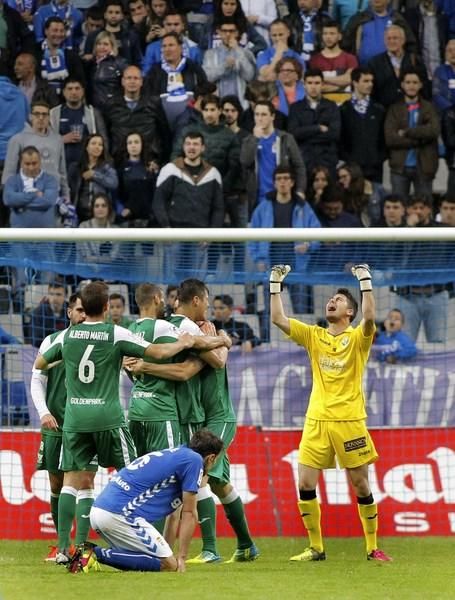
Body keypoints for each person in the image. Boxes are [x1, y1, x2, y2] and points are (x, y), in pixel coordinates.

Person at [33, 280, 196, 563]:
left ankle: (63, 550)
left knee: (72, 480)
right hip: (108, 418)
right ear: (107, 307)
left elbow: (40, 364)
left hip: (75, 419)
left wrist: (70, 365)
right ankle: (138, 539)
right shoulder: (115, 333)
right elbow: (157, 353)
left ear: (83, 308)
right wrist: (184, 341)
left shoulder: (66, 337)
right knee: (132, 473)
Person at [270, 263, 392, 563]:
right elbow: (277, 318)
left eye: (338, 300)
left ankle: (372, 547)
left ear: (349, 312)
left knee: (360, 484)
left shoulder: (358, 338)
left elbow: (371, 316)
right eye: (330, 299)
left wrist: (365, 281)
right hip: (316, 421)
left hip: (349, 421)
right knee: (305, 484)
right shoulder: (314, 336)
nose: (331, 301)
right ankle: (316, 547)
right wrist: (274, 284)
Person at [67, 430, 224, 573]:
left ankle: (88, 557)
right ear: (211, 458)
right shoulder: (195, 461)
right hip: (121, 515)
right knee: (169, 565)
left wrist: (166, 551)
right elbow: (189, 513)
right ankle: (91, 553)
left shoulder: (179, 455)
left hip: (100, 511)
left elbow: (174, 515)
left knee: (159, 561)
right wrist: (181, 558)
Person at [30, 293, 93, 562]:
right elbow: (36, 379)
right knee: (57, 484)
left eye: (86, 311)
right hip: (57, 424)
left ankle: (80, 547)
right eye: (78, 310)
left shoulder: (97, 343)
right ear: (69, 312)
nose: (82, 315)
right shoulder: (52, 341)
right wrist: (44, 412)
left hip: (88, 425)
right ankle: (62, 545)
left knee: (87, 480)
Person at [152, 131, 224, 279]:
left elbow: (218, 208)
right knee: (173, 285)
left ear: (203, 148)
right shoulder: (170, 170)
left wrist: (211, 234)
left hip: (200, 238)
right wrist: (166, 228)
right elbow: (158, 201)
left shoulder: (213, 174)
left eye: (196, 144)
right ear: (183, 146)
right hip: (174, 236)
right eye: (188, 143)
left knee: (196, 286)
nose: (192, 147)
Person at [240, 100, 306, 210]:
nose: (260, 118)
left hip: (283, 196)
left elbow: (299, 166)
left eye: (264, 114)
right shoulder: (248, 140)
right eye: (257, 114)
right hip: (258, 198)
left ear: (273, 116)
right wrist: (255, 139)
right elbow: (245, 162)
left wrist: (300, 189)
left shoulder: (286, 138)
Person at [384, 69, 440, 201]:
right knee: (399, 208)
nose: (411, 86)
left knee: (425, 210)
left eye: (415, 82)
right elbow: (390, 139)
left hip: (424, 167)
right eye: (408, 82)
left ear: (421, 85)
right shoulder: (394, 109)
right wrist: (419, 140)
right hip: (399, 168)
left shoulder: (429, 108)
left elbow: (433, 131)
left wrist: (407, 132)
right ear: (402, 85)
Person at [2, 100, 70, 200]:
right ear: (30, 117)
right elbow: (9, 173)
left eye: (44, 114)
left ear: (49, 117)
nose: (41, 118)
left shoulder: (57, 139)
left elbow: (62, 171)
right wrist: (11, 197)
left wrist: (66, 195)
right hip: (26, 196)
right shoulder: (17, 139)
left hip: (53, 196)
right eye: (37, 114)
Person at [288, 68, 341, 177]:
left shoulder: (331, 106)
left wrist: (305, 134)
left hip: (327, 160)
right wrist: (317, 128)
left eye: (317, 83)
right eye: (310, 83)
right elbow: (293, 133)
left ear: (322, 84)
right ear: (304, 84)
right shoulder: (295, 108)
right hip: (304, 160)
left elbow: (334, 134)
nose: (313, 87)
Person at [339, 66, 385, 183]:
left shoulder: (379, 109)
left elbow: (382, 139)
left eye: (371, 81)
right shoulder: (343, 110)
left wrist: (378, 158)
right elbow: (340, 139)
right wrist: (349, 159)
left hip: (375, 168)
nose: (370, 84)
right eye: (366, 81)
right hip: (352, 169)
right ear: (355, 82)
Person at [367, 24, 429, 109]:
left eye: (395, 38)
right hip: (384, 111)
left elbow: (425, 88)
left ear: (403, 40)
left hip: (411, 110)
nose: (391, 41)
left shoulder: (415, 60)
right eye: (388, 38)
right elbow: (371, 91)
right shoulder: (374, 63)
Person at [202, 17, 256, 109]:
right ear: (218, 32)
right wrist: (224, 66)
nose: (228, 34)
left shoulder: (246, 53)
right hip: (218, 105)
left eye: (231, 31)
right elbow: (207, 78)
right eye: (224, 31)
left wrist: (237, 50)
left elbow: (250, 76)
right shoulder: (210, 53)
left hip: (241, 104)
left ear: (237, 33)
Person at [3, 145, 59, 228]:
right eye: (27, 164)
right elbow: (8, 200)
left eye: (34, 163)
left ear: (40, 161)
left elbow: (48, 201)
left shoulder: (50, 180)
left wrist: (19, 202)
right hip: (18, 237)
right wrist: (34, 194)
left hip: (46, 237)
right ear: (21, 163)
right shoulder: (12, 181)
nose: (31, 167)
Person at [72, 134, 118, 222]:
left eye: (100, 145)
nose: (97, 147)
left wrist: (94, 174)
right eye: (93, 143)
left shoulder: (107, 166)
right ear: (86, 147)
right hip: (80, 212)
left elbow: (114, 183)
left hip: (100, 211)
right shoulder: (76, 167)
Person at [117, 131, 158, 227]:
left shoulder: (151, 168)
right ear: (126, 146)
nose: (133, 146)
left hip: (148, 220)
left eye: (136, 142)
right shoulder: (121, 169)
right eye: (130, 143)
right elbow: (116, 194)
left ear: (142, 144)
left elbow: (156, 194)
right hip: (127, 221)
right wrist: (121, 209)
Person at [85, 30, 128, 110]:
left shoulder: (120, 63)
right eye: (99, 44)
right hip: (94, 108)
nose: (102, 47)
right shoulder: (91, 64)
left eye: (105, 44)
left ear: (112, 46)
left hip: (114, 108)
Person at [336, 162, 385, 226]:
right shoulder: (342, 193)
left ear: (354, 175)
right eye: (340, 178)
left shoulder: (377, 189)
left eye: (344, 176)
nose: (341, 180)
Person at [27, 280, 68, 348]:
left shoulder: (72, 312)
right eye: (51, 294)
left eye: (58, 294)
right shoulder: (38, 313)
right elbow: (35, 341)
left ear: (65, 296)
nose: (54, 298)